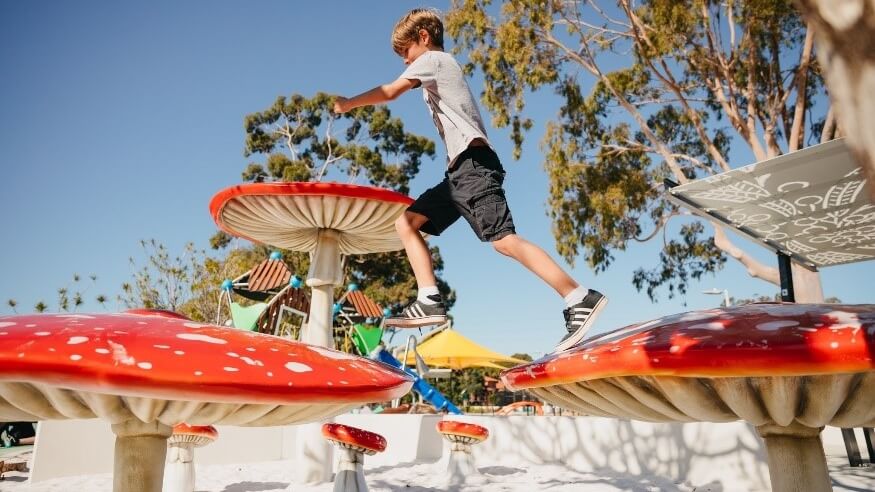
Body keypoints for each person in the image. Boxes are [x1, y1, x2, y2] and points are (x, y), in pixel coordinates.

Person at [332, 8, 607, 352]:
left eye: (406, 51)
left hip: (473, 167)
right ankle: (429, 299)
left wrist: (348, 104)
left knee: (503, 241)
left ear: (423, 38)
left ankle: (579, 296)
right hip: (459, 175)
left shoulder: (434, 60)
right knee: (407, 222)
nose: (405, 60)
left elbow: (390, 92)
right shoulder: (436, 67)